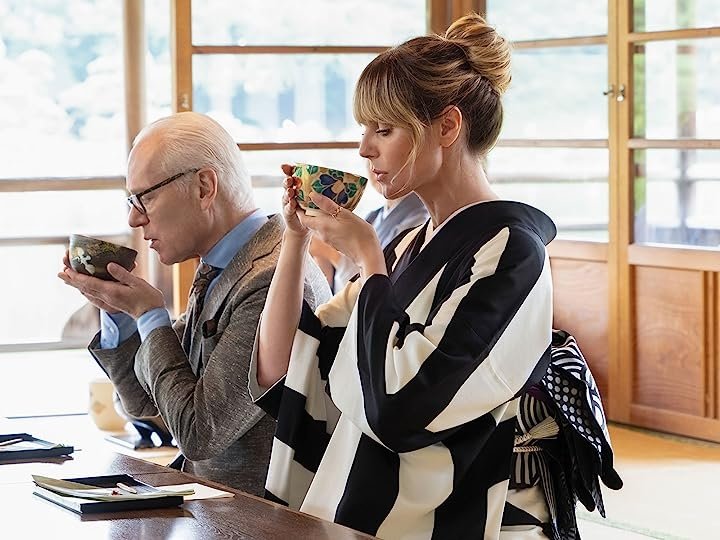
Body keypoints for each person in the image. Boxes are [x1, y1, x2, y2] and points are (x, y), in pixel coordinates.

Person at [250, 13, 619, 540]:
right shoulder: (407, 246)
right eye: (364, 130)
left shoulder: (514, 251)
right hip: (378, 512)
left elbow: (401, 406)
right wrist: (296, 238)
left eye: (384, 129)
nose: (364, 149)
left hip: (479, 518)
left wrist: (367, 257)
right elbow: (288, 366)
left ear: (447, 127)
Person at [58, 111, 330, 495]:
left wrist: (149, 314)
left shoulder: (272, 277)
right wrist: (119, 312)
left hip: (259, 518)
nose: (134, 219)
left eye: (145, 197)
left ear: (204, 187)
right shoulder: (221, 266)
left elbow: (200, 434)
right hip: (212, 510)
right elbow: (145, 402)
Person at [310, 170, 428, 292]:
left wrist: (332, 254)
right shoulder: (373, 217)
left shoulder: (420, 221)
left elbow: (378, 289)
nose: (372, 165)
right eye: (366, 161)